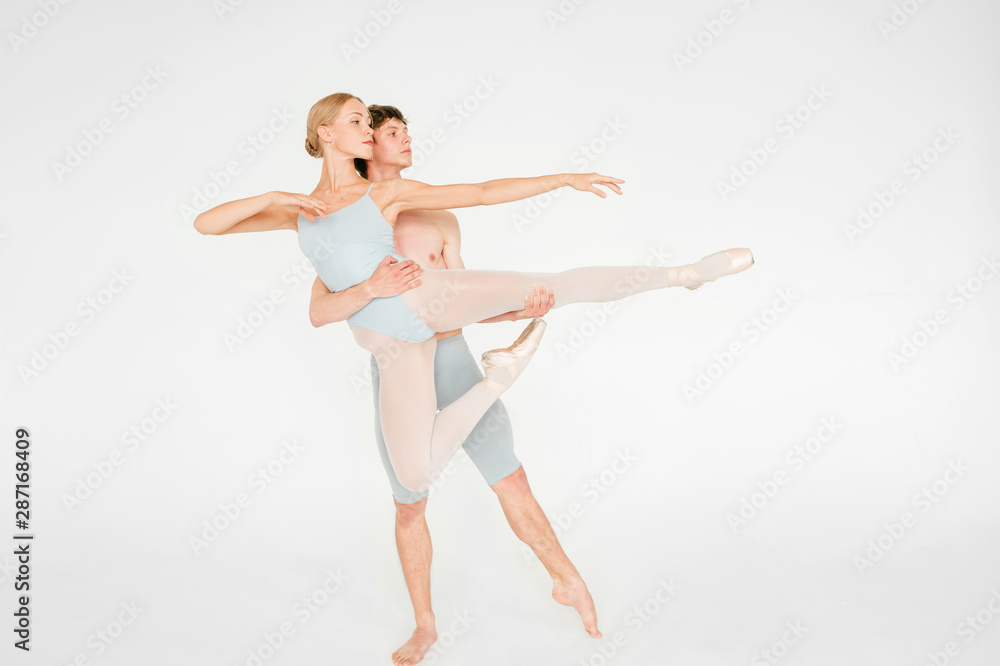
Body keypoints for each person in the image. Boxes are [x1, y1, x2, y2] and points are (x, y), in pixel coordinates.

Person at [193, 91, 753, 505]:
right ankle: (499, 377)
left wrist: (561, 179)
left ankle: (685, 273)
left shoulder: (384, 192)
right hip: (395, 344)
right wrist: (271, 194)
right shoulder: (299, 211)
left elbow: (482, 193)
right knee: (415, 474)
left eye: (370, 121)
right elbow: (206, 225)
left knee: (553, 286)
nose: (369, 128)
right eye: (358, 121)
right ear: (326, 133)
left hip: (422, 301)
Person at [308, 103, 600, 665]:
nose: (402, 138)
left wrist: (517, 309)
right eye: (388, 132)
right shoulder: (343, 224)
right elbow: (322, 309)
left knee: (510, 478)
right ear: (365, 147)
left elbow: (468, 291)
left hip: (453, 359)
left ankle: (568, 581)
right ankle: (425, 628)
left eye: (401, 130)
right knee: (410, 504)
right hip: (398, 370)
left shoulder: (438, 218)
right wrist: (370, 288)